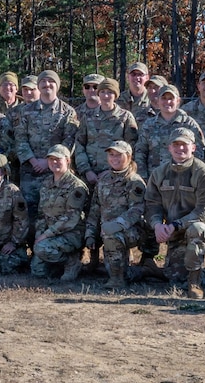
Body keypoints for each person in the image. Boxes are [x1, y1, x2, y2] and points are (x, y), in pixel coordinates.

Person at [146, 130, 205, 299]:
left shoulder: (204, 173)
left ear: (193, 147)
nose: (180, 148)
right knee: (176, 280)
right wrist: (157, 224)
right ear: (169, 148)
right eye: (176, 145)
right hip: (175, 231)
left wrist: (176, 225)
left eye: (184, 144)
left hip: (201, 227)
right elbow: (152, 204)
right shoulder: (159, 173)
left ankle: (195, 283)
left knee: (196, 228)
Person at [11, 70, 76, 223]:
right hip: (30, 172)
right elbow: (20, 139)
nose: (47, 85)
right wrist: (34, 161)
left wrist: (48, 162)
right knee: (29, 212)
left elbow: (69, 141)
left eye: (51, 81)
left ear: (57, 86)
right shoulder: (26, 111)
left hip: (56, 172)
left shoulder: (68, 112)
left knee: (55, 211)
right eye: (43, 82)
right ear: (38, 86)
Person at [90, 140, 148, 289]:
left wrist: (116, 225)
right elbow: (95, 208)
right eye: (111, 155)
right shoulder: (103, 180)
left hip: (132, 230)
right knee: (117, 269)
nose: (114, 158)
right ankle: (138, 272)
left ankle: (117, 280)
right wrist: (90, 233)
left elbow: (136, 210)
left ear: (128, 157)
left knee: (112, 237)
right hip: (107, 229)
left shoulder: (135, 182)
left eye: (119, 155)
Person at [29, 146, 90, 282]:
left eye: (58, 159)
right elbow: (41, 214)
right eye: (51, 159)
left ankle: (71, 261)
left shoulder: (76, 186)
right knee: (37, 271)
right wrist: (39, 234)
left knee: (42, 249)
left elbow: (70, 218)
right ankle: (59, 264)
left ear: (67, 160)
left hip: (71, 234)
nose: (54, 162)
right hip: (51, 234)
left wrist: (45, 235)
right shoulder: (46, 184)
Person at [135, 84, 204, 181]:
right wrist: (143, 177)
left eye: (171, 98)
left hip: (183, 180)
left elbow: (199, 152)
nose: (167, 102)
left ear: (178, 101)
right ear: (158, 101)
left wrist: (194, 177)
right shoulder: (149, 125)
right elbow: (140, 152)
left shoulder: (189, 124)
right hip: (155, 179)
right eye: (164, 98)